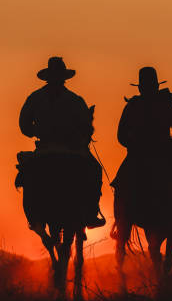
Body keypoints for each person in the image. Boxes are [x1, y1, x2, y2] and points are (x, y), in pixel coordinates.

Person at [112, 66, 172, 239]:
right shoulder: (166, 105)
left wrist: (134, 143)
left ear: (140, 87)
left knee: (121, 183)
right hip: (164, 157)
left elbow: (121, 136)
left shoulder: (133, 106)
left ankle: (120, 222)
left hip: (138, 157)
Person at [15, 56, 105, 234]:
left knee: (28, 175)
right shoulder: (75, 100)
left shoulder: (35, 98)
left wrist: (37, 131)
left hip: (44, 150)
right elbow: (86, 127)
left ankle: (33, 216)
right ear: (64, 77)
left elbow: (24, 125)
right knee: (94, 170)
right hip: (71, 151)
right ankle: (91, 213)